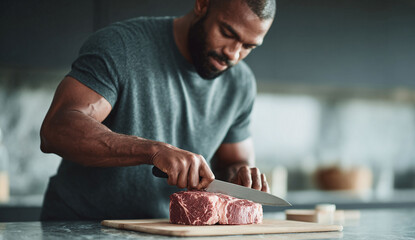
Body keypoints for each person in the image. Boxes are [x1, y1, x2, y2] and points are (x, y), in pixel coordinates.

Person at [40, 0, 276, 220]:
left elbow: (234, 161)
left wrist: (242, 176)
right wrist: (154, 150)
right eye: (227, 33)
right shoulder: (122, 45)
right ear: (202, 4)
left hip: (161, 229)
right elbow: (57, 129)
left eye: (248, 46)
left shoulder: (241, 83)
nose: (233, 54)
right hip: (80, 226)